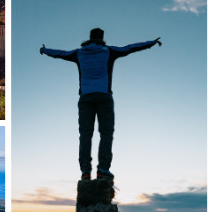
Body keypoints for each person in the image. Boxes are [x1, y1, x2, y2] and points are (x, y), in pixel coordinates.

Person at [40, 28, 161, 181]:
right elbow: (130, 48)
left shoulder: (79, 53)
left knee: (85, 135)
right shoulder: (108, 51)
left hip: (85, 99)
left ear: (90, 38)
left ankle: (85, 171)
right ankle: (103, 169)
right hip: (104, 97)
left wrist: (44, 50)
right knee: (106, 133)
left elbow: (60, 53)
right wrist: (151, 43)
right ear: (102, 38)